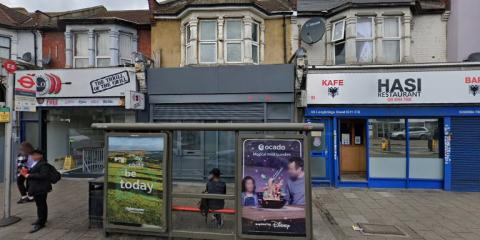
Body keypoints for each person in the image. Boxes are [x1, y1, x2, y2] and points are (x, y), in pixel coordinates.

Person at [20, 149, 52, 233]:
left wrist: (29, 175)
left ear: (40, 156)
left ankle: (41, 222)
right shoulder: (37, 163)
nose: (32, 157)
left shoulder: (43, 164)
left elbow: (43, 175)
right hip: (37, 187)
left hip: (41, 188)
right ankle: (41, 219)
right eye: (32, 155)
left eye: (34, 155)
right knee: (40, 204)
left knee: (41, 204)